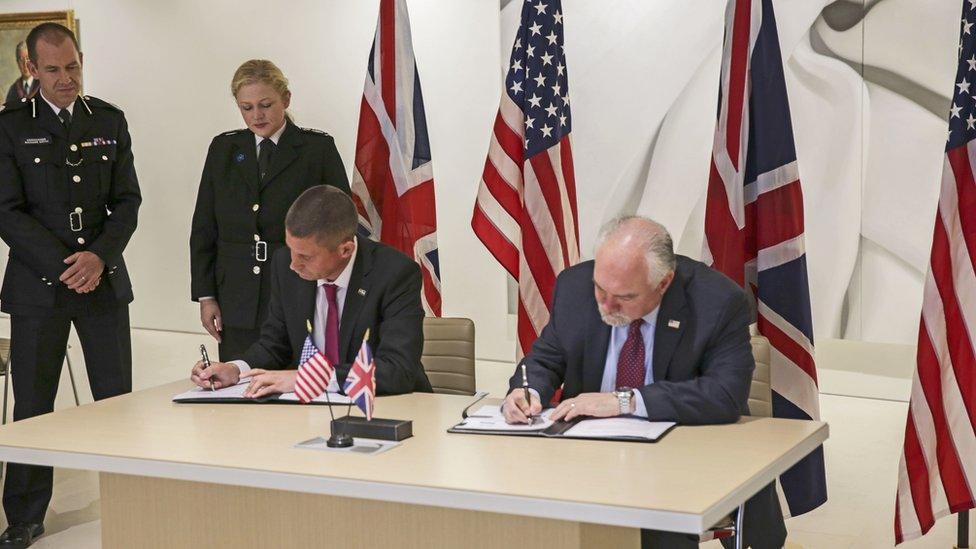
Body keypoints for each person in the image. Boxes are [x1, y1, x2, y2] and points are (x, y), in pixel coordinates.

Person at [501, 216, 786, 549]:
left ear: (663, 283)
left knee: (654, 527)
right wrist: (527, 390)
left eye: (624, 297)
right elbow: (546, 358)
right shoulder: (574, 286)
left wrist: (625, 401)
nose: (605, 305)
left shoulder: (717, 302)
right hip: (588, 459)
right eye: (600, 289)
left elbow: (724, 395)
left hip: (679, 459)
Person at [0, 23, 141, 548]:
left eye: (74, 66)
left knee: (116, 401)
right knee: (33, 405)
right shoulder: (11, 127)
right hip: (40, 287)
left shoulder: (108, 119)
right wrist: (67, 263)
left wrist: (98, 257)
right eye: (54, 70)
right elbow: (7, 212)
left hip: (102, 282)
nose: (67, 79)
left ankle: (129, 498)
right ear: (31, 70)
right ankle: (24, 516)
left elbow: (128, 201)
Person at [190, 185, 431, 397]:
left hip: (387, 408)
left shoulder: (395, 273)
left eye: (305, 256)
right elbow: (274, 344)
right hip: (308, 413)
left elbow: (397, 370)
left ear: (345, 250)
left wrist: (309, 378)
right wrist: (235, 370)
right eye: (291, 250)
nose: (294, 264)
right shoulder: (285, 265)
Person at [190, 59, 349, 362]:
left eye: (265, 104)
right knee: (240, 383)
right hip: (237, 295)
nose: (256, 115)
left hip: (298, 285)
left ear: (285, 99)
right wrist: (206, 296)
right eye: (246, 107)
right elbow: (204, 227)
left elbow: (340, 222)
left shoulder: (316, 149)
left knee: (299, 384)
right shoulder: (224, 149)